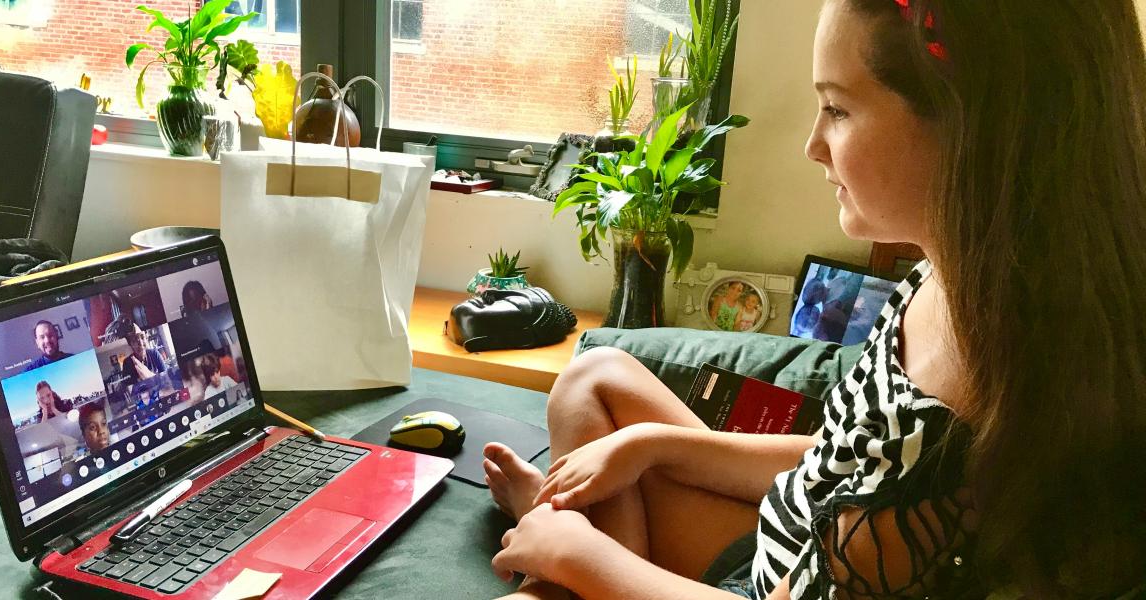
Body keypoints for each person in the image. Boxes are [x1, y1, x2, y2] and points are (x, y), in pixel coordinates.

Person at [481, 1, 1146, 599]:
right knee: (594, 378)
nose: (813, 145)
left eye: (837, 108)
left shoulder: (997, 392)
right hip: (786, 540)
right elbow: (840, 460)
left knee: (563, 560)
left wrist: (583, 557)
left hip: (792, 584)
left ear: (971, 124)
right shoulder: (942, 276)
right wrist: (651, 446)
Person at [116, 321, 167, 385]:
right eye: (134, 340)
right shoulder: (127, 363)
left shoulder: (154, 353)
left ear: (146, 338)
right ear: (130, 344)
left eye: (142, 337)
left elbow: (166, 378)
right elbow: (128, 387)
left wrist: (150, 376)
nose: (140, 343)